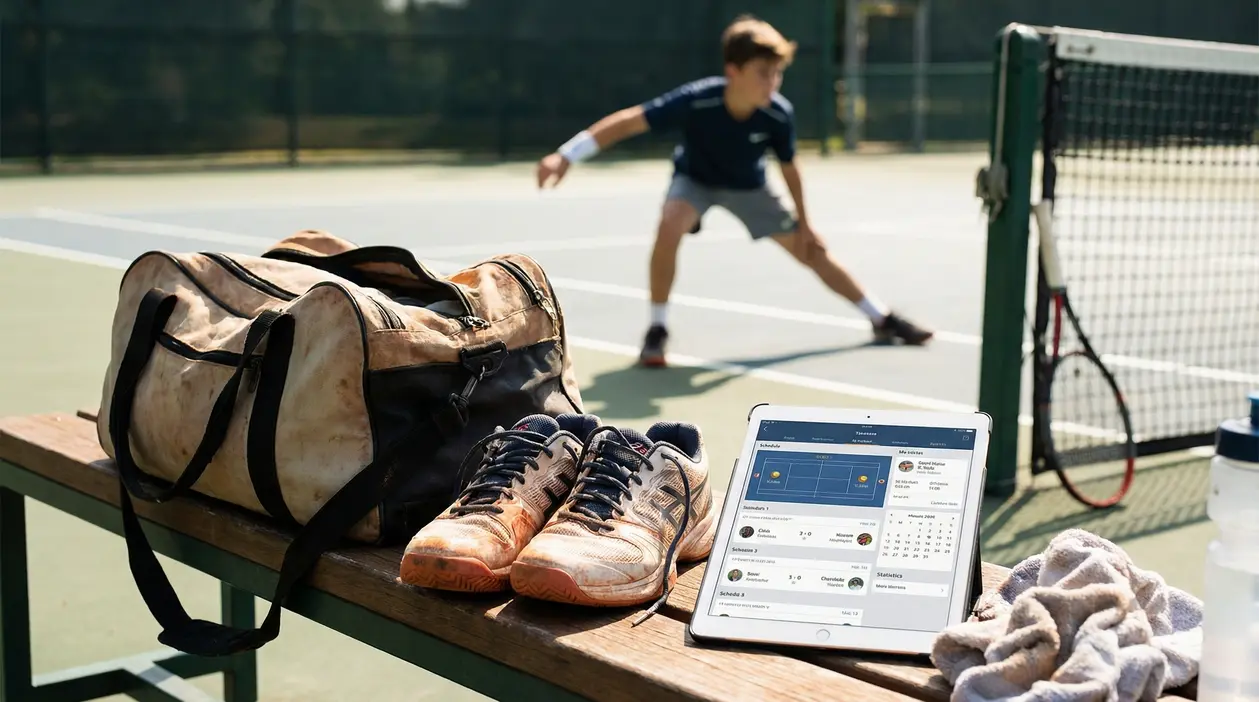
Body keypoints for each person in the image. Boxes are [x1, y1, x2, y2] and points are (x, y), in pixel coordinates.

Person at [535, 15, 933, 366]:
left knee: (811, 250)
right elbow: (628, 121)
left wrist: (806, 223)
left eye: (777, 73)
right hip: (695, 181)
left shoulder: (778, 113)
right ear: (734, 71)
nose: (772, 82)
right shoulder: (697, 100)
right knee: (670, 224)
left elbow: (790, 168)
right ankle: (657, 328)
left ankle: (881, 318)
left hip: (750, 187)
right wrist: (566, 155)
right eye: (763, 72)